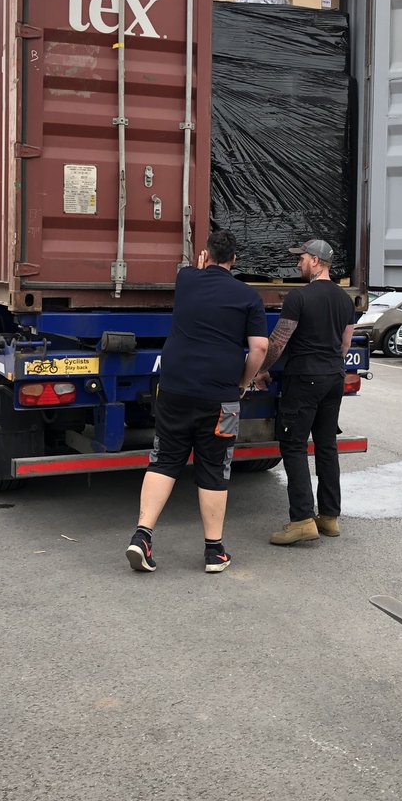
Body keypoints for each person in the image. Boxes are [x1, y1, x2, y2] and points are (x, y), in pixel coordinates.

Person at [126, 230, 269, 575]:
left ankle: (142, 535)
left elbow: (195, 268)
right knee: (214, 466)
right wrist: (244, 381)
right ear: (235, 260)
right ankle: (214, 551)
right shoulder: (248, 296)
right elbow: (260, 347)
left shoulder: (186, 279)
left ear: (205, 255)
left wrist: (201, 262)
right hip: (219, 396)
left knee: (164, 459)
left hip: (174, 390)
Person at [257, 239, 356, 545]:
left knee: (294, 445)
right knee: (326, 446)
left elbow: (278, 341)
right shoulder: (344, 300)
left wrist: (262, 369)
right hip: (333, 378)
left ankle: (301, 520)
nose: (297, 263)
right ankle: (329, 517)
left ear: (315, 261)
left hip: (304, 379)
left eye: (300, 258)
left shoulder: (298, 297)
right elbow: (345, 345)